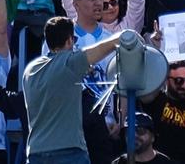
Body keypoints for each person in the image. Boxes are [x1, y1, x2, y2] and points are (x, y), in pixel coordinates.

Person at [22, 16, 124, 163]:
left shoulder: (30, 70)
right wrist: (123, 35)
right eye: (74, 41)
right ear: (70, 40)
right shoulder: (70, 62)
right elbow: (103, 48)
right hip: (69, 153)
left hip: (36, 153)